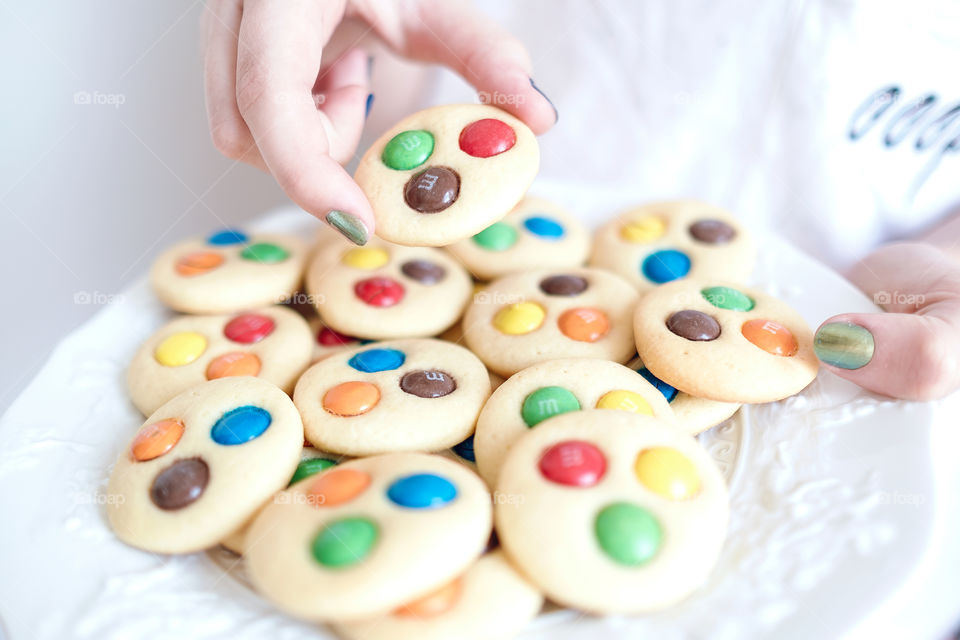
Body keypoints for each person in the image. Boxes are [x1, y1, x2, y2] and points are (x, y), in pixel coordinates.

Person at [201, 0, 960, 402]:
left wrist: (943, 264)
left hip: (874, 376)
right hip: (474, 259)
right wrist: (339, 59)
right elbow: (391, 47)